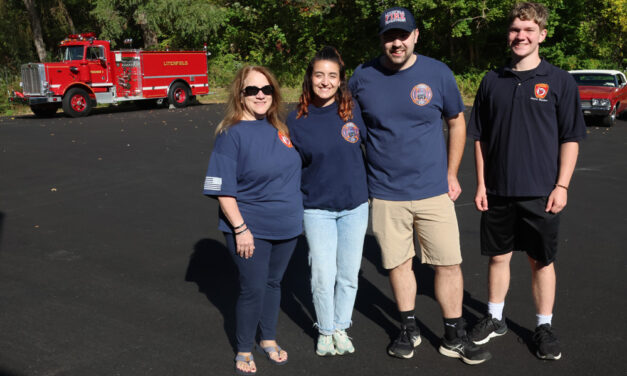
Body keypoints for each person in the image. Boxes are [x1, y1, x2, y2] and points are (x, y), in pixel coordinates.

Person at [349, 6, 491, 365]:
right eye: (389, 36)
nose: (396, 43)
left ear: (415, 36)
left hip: (433, 191)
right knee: (399, 264)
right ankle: (408, 327)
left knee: (448, 264)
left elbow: (457, 122)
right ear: (381, 39)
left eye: (402, 35)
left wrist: (452, 173)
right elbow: (350, 130)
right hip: (384, 192)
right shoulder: (362, 77)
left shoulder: (437, 73)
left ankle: (453, 335)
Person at [467, 2, 586, 361]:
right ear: (509, 34)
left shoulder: (560, 81)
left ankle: (544, 325)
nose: (521, 36)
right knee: (498, 258)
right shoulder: (492, 81)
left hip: (542, 192)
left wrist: (562, 185)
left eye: (529, 30)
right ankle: (494, 318)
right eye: (516, 30)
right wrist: (482, 184)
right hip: (499, 190)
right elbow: (479, 138)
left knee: (541, 261)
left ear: (542, 35)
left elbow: (571, 137)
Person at [202, 66, 303, 375]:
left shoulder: (280, 129)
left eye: (266, 89)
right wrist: (241, 229)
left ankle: (268, 339)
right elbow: (222, 190)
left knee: (273, 284)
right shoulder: (230, 135)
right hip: (250, 229)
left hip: (286, 227)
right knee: (253, 288)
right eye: (252, 90)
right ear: (240, 95)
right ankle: (244, 348)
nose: (260, 95)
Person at [287, 47, 368, 357]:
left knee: (348, 273)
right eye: (319, 75)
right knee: (323, 274)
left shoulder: (353, 110)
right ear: (310, 78)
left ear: (340, 80)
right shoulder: (295, 120)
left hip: (355, 206)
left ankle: (340, 326)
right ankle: (324, 330)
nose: (325, 81)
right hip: (317, 209)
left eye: (332, 76)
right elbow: (286, 167)